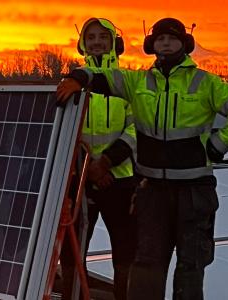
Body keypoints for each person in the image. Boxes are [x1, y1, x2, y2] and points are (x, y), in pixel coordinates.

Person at [56, 18, 228, 300]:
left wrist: (215, 147)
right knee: (146, 263)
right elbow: (94, 84)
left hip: (187, 189)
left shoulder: (205, 82)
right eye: (160, 38)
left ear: (185, 44)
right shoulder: (138, 81)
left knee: (189, 266)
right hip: (147, 190)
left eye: (172, 38)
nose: (166, 43)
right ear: (152, 44)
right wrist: (77, 78)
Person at [57, 17, 137, 300]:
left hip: (119, 179)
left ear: (115, 42)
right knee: (72, 249)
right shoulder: (71, 84)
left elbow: (136, 128)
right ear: (82, 44)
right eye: (90, 37)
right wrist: (87, 167)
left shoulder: (129, 84)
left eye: (103, 37)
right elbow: (64, 129)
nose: (97, 42)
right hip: (80, 180)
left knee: (125, 249)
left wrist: (106, 164)